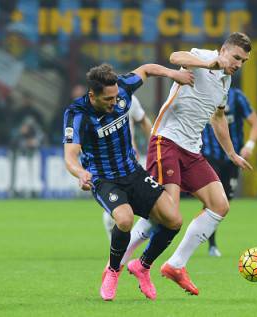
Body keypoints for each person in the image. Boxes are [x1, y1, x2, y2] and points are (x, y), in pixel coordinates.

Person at [118, 32, 253, 296]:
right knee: (165, 213)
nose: (238, 64)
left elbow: (218, 118)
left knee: (220, 205)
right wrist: (208, 64)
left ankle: (175, 265)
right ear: (223, 50)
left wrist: (232, 153)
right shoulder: (204, 57)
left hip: (192, 150)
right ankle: (116, 266)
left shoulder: (227, 80)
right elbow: (174, 57)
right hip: (165, 142)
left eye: (243, 61)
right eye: (236, 57)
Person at [63, 63, 193, 301]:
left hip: (133, 172)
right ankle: (113, 270)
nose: (114, 102)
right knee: (124, 219)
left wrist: (174, 74)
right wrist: (80, 173)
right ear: (92, 95)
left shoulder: (122, 88)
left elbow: (146, 69)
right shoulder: (77, 114)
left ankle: (142, 266)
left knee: (174, 220)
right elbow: (70, 155)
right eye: (108, 99)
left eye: (115, 97)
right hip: (104, 179)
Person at [202, 87, 257, 257]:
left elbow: (256, 124)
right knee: (212, 201)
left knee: (224, 202)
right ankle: (211, 244)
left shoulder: (237, 97)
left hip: (232, 158)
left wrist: (249, 145)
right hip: (209, 156)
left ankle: (206, 239)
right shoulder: (203, 93)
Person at [102, 94, 153, 241]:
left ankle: (125, 239)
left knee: (148, 203)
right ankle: (117, 238)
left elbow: (143, 121)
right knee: (118, 203)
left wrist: (154, 146)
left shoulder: (129, 98)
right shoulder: (93, 103)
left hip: (130, 158)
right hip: (107, 162)